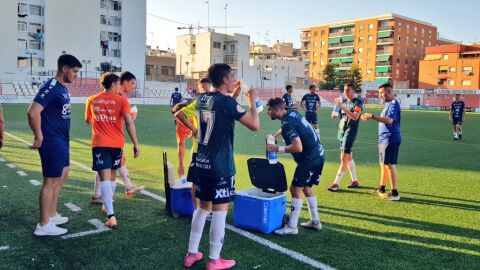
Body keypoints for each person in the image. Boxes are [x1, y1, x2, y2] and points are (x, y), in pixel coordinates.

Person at [183, 64, 259, 270]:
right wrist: (251, 99)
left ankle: (192, 253)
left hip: (202, 162)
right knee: (220, 210)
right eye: (232, 75)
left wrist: (234, 96)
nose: (234, 77)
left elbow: (222, 108)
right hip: (220, 165)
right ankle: (215, 259)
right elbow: (255, 125)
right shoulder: (225, 102)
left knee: (202, 208)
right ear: (225, 80)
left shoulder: (203, 98)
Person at [28, 54, 82, 236]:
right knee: (50, 181)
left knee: (63, 174)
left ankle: (51, 214)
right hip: (51, 140)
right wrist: (39, 136)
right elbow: (33, 112)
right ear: (64, 68)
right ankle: (43, 225)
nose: (76, 75)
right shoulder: (51, 86)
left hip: (62, 139)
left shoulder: (63, 88)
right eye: (74, 71)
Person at [85, 73, 141, 227]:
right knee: (112, 176)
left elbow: (88, 120)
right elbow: (129, 123)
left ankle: (111, 215)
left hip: (99, 143)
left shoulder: (91, 99)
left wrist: (101, 118)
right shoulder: (122, 100)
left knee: (104, 177)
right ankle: (107, 207)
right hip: (117, 144)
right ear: (115, 84)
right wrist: (136, 144)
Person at [266, 98, 325, 235]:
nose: (268, 113)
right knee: (306, 187)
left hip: (309, 159)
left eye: (269, 110)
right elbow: (285, 127)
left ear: (278, 110)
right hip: (318, 155)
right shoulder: (291, 114)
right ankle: (315, 221)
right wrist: (275, 137)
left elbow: (297, 147)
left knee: (295, 188)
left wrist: (277, 148)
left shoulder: (287, 123)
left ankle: (292, 227)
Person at [361, 83, 402, 201]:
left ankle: (394, 193)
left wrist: (372, 116)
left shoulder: (394, 104)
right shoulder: (388, 104)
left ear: (388, 92)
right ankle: (381, 188)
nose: (380, 96)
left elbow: (389, 120)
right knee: (383, 164)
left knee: (389, 165)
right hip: (384, 139)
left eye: (381, 93)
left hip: (391, 138)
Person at [175, 78, 211, 209]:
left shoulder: (217, 104)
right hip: (198, 150)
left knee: (210, 181)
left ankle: (208, 208)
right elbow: (180, 114)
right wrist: (194, 129)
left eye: (207, 91)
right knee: (196, 182)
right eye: (202, 91)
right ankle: (197, 209)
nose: (205, 94)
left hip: (213, 150)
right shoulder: (197, 104)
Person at [327, 84, 363, 191]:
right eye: (344, 90)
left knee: (344, 158)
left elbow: (355, 117)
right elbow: (333, 116)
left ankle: (335, 184)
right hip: (341, 132)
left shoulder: (357, 102)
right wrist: (336, 107)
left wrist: (342, 107)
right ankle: (355, 180)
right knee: (348, 157)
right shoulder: (343, 101)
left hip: (350, 132)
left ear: (353, 91)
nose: (346, 92)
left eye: (348, 90)